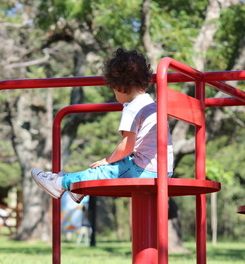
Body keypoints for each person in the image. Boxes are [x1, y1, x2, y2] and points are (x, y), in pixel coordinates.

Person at [31, 47, 173, 203]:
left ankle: (60, 183)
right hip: (163, 169)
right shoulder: (153, 105)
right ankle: (77, 188)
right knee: (112, 167)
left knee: (104, 171)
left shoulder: (132, 109)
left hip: (144, 170)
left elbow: (127, 146)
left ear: (119, 86)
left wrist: (107, 160)